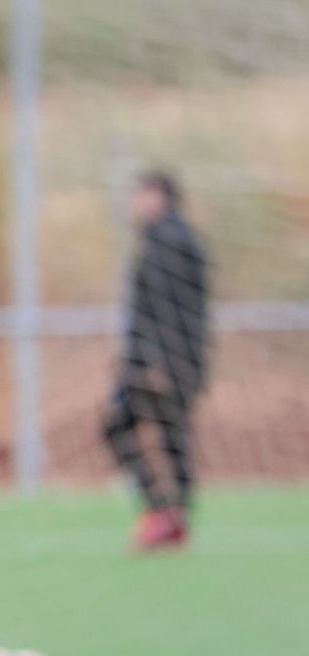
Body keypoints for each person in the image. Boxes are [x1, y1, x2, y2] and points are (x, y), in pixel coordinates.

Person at [102, 169, 209, 552]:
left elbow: (171, 312)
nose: (134, 202)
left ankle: (166, 514)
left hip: (161, 364)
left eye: (140, 194)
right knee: (157, 434)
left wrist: (157, 362)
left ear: (160, 197)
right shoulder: (164, 239)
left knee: (131, 430)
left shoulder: (171, 243)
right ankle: (169, 515)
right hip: (159, 360)